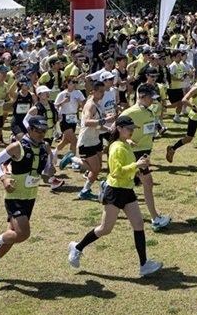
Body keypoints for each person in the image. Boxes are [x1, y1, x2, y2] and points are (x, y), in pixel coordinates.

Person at [67, 115, 164, 277]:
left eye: (133, 129)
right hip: (115, 191)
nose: (132, 131)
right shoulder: (117, 148)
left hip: (127, 190)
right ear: (119, 128)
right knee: (105, 229)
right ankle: (77, 248)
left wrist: (138, 165)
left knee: (139, 224)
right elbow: (116, 172)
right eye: (129, 129)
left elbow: (126, 166)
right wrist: (136, 165)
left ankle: (144, 265)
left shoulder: (124, 144)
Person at [0, 116, 54, 284]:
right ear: (29, 129)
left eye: (44, 131)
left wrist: (51, 170)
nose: (42, 134)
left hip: (30, 197)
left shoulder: (45, 147)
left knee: (12, 236)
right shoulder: (17, 147)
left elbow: (47, 169)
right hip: (14, 196)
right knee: (23, 234)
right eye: (38, 131)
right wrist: (3, 178)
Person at [121, 84, 171, 229]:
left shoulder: (149, 111)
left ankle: (106, 188)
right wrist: (128, 139)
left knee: (126, 182)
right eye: (150, 98)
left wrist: (159, 128)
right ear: (141, 97)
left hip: (145, 152)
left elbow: (151, 124)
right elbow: (116, 129)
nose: (152, 101)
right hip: (134, 153)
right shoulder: (130, 112)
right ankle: (155, 218)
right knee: (148, 183)